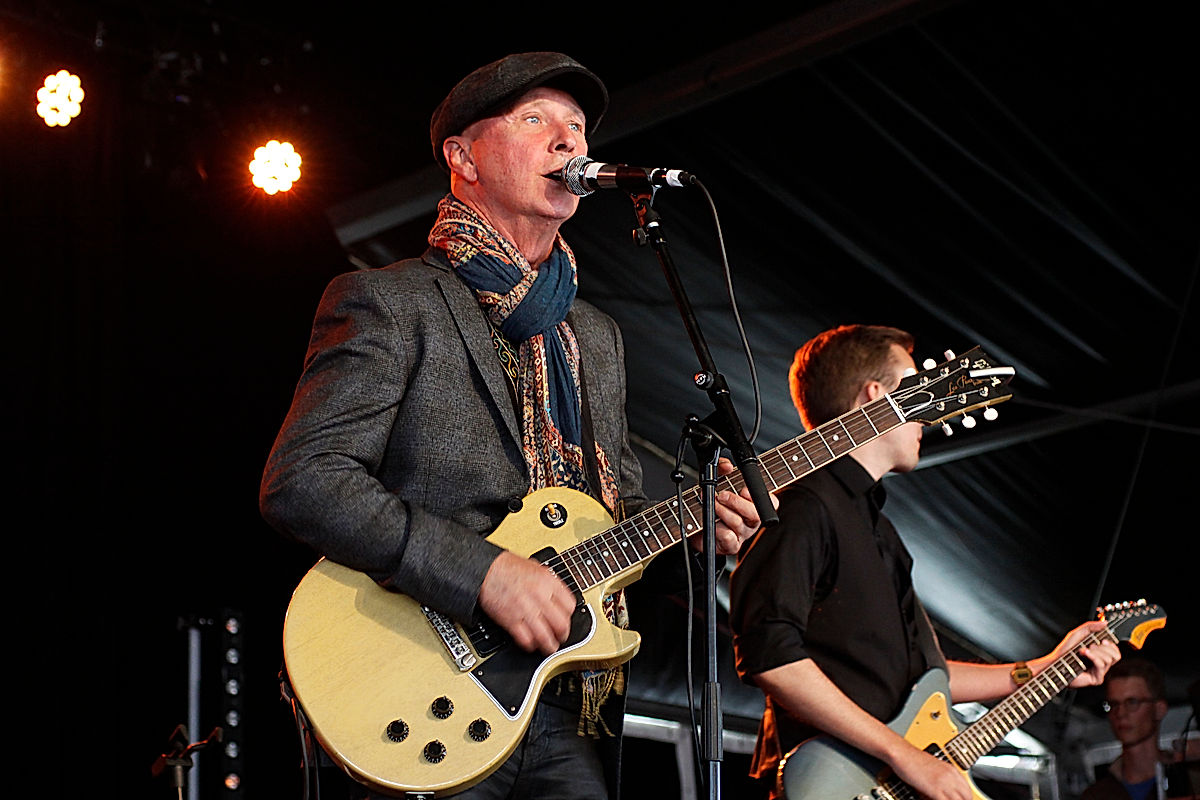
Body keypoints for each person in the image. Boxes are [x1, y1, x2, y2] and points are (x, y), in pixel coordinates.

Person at [259, 51, 766, 800]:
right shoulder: (389, 302)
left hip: (564, 706)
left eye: (577, 126)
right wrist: (485, 573)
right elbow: (303, 482)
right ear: (462, 158)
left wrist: (692, 528)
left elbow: (611, 524)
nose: (568, 142)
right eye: (535, 120)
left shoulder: (594, 337)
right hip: (421, 686)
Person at [727, 323, 1122, 800]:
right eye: (913, 384)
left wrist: (1045, 667)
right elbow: (770, 656)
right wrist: (905, 756)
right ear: (875, 395)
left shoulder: (880, 531)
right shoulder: (803, 506)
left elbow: (927, 678)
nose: (929, 417)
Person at [1083, 657, 1196, 800]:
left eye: (1132, 702)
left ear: (1159, 709)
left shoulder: (1187, 781)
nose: (1120, 713)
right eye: (1113, 704)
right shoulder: (1097, 795)